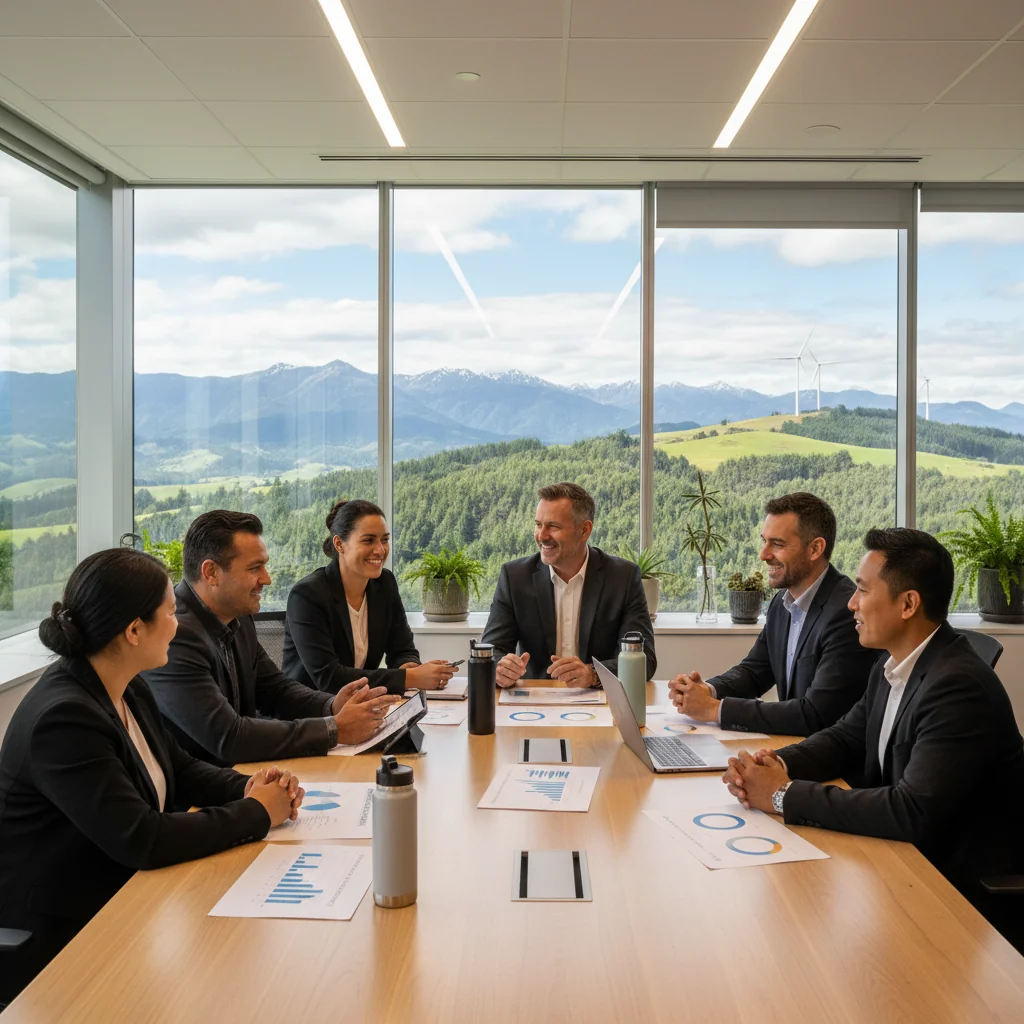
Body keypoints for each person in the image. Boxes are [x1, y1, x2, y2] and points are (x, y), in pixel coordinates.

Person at [0, 549, 304, 1004]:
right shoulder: (64, 719)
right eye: (170, 612)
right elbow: (142, 838)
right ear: (134, 630)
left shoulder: (126, 683)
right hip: (64, 939)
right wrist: (256, 813)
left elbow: (178, 768)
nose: (179, 623)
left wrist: (247, 786)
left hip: (127, 902)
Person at [722, 527, 1024, 927]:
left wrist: (782, 794)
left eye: (863, 591)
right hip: (902, 864)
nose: (851, 604)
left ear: (908, 604)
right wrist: (770, 763)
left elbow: (910, 810)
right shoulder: (893, 664)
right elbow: (845, 738)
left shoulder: (957, 686)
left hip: (954, 892)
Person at [143, 510, 401, 767]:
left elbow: (275, 690)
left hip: (242, 775)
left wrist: (333, 705)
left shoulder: (238, 617)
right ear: (211, 572)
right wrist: (333, 729)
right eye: (255, 568)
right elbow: (229, 738)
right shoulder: (175, 636)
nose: (267, 579)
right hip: (200, 795)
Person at [669, 492, 877, 735]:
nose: (764, 554)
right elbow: (755, 672)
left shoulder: (845, 612)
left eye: (777, 544)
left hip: (829, 764)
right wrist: (707, 690)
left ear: (815, 548)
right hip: (792, 748)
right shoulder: (782, 602)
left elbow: (815, 714)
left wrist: (715, 709)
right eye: (764, 541)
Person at [482, 482, 656, 688]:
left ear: (584, 530)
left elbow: (645, 660)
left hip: (599, 701)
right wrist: (499, 669)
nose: (542, 536)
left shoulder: (623, 577)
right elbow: (490, 653)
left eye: (553, 526)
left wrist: (592, 674)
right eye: (538, 524)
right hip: (533, 702)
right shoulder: (515, 577)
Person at [283, 499, 455, 695]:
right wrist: (410, 678)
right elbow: (328, 677)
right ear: (339, 544)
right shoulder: (307, 595)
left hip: (363, 706)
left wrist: (409, 666)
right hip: (312, 715)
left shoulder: (385, 584)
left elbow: (402, 648)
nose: (380, 550)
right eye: (368, 540)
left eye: (384, 539)